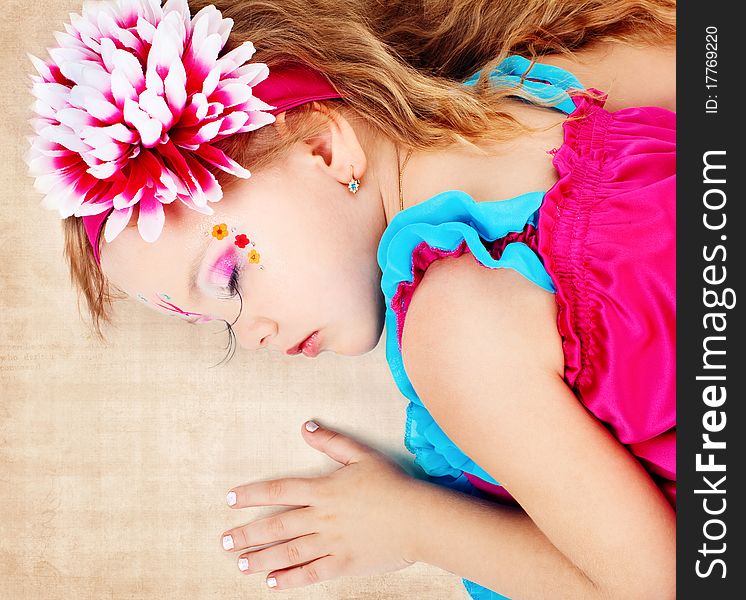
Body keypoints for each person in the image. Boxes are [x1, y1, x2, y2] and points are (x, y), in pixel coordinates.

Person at [25, 0, 676, 598]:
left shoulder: (455, 329)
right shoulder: (554, 76)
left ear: (323, 146)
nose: (250, 336)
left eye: (228, 281)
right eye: (219, 325)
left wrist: (415, 525)